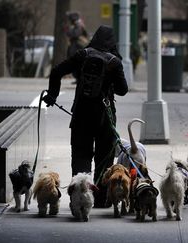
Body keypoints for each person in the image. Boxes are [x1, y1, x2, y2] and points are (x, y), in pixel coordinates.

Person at [42, 25, 128, 207]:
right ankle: (102, 199)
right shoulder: (114, 61)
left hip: (81, 114)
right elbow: (123, 90)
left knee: (81, 156)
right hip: (105, 117)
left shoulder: (82, 55)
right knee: (104, 157)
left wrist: (52, 95)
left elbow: (57, 71)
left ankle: (79, 196)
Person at [65, 12, 89, 84]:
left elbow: (75, 34)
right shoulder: (76, 25)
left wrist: (68, 31)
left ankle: (80, 78)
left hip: (77, 47)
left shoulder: (78, 25)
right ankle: (78, 78)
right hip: (75, 47)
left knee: (77, 63)